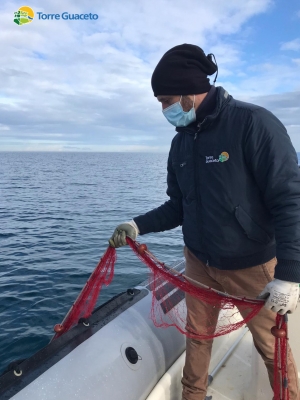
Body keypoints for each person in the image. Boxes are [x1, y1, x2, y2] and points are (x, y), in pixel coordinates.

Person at [109, 44, 300, 400]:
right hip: (199, 261)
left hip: (252, 266)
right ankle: (192, 396)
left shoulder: (254, 123)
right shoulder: (181, 143)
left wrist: (289, 275)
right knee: (196, 337)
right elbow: (178, 206)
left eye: (166, 100)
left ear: (189, 93)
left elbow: (289, 199)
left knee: (272, 349)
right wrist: (137, 224)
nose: (164, 109)